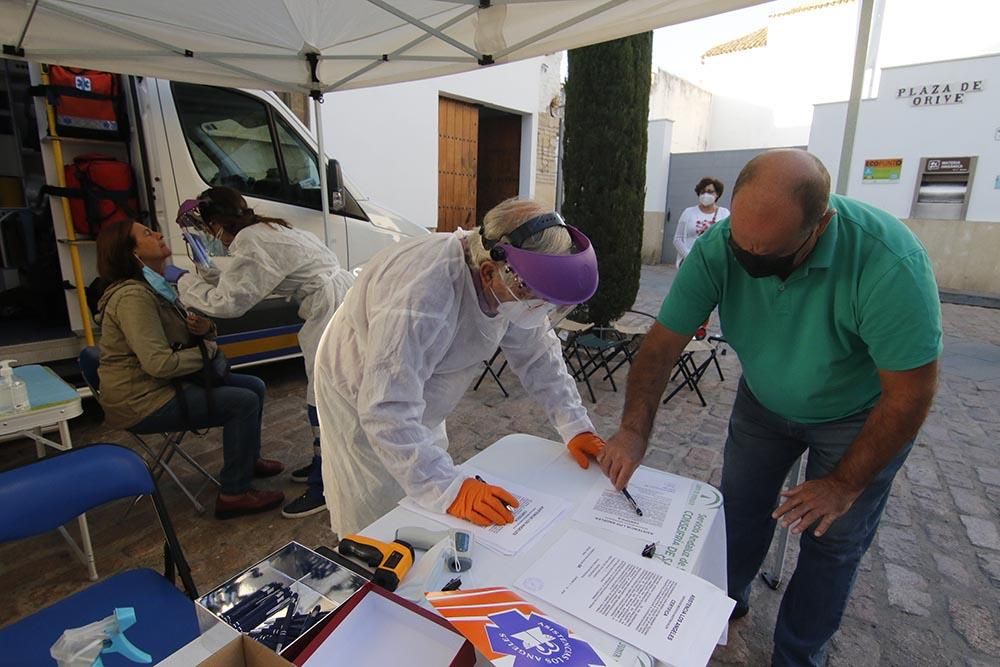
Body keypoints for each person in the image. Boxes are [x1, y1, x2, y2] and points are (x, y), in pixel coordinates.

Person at [601, 149, 941, 666]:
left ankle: (799, 654)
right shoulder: (720, 245)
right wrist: (632, 429)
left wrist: (844, 484)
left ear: (820, 225)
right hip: (763, 402)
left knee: (833, 540)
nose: (754, 263)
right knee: (736, 510)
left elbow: (911, 393)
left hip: (858, 415)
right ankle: (721, 605)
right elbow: (660, 346)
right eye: (744, 249)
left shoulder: (888, 261)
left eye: (774, 256)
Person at [314, 198, 608, 537]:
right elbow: (386, 408)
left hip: (418, 384)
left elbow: (540, 356)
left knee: (429, 488)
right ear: (487, 273)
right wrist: (449, 489)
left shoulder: (509, 279)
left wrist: (576, 425)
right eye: (535, 301)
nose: (538, 311)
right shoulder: (424, 294)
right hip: (360, 385)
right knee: (376, 507)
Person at [171, 187, 354, 520]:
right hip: (332, 301)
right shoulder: (266, 230)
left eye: (205, 230)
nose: (208, 237)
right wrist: (207, 271)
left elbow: (229, 302)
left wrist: (183, 280)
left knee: (322, 394)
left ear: (215, 223)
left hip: (329, 306)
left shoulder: (253, 241)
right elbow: (243, 278)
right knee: (324, 389)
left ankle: (325, 484)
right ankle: (321, 463)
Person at [95, 220, 285, 519]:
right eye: (147, 233)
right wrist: (207, 352)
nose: (158, 234)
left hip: (163, 385)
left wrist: (206, 328)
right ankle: (234, 493)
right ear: (131, 252)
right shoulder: (133, 297)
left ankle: (248, 460)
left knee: (254, 386)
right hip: (142, 399)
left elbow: (182, 339)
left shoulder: (157, 289)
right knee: (242, 402)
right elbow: (159, 363)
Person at [673, 176, 729, 267]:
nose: (706, 195)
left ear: (717, 194)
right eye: (702, 192)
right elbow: (677, 239)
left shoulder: (724, 213)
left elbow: (728, 239)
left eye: (710, 191)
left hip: (714, 264)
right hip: (691, 263)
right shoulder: (688, 212)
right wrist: (690, 257)